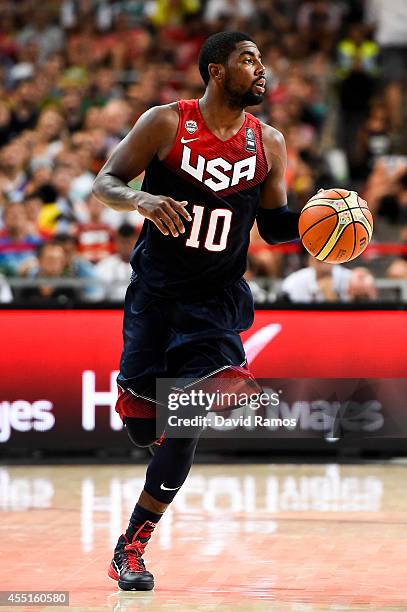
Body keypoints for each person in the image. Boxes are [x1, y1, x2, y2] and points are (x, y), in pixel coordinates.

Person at [93, 31, 300, 591]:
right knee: (143, 428)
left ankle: (131, 546)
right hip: (156, 297)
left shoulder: (270, 142)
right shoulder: (165, 122)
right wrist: (142, 198)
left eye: (262, 59)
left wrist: (317, 223)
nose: (261, 69)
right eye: (248, 59)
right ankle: (147, 412)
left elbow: (276, 226)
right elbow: (106, 180)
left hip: (216, 302)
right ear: (214, 69)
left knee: (186, 423)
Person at [94, 223, 137, 301]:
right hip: (112, 308)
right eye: (123, 242)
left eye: (129, 242)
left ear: (136, 241)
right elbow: (98, 296)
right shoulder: (104, 265)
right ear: (116, 242)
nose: (126, 246)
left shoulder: (144, 265)